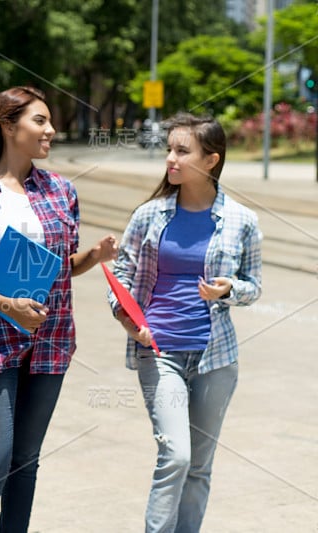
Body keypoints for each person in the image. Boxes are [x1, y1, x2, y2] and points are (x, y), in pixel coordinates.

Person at [0, 86, 118, 532]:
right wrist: (5, 304)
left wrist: (93, 257)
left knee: (26, 459)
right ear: (7, 126)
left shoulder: (61, 191)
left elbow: (62, 268)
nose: (51, 130)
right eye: (40, 121)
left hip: (51, 343)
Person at [107, 112, 262, 532]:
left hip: (216, 357)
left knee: (199, 465)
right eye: (169, 150)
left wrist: (229, 289)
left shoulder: (242, 221)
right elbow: (120, 276)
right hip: (159, 351)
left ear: (211, 160)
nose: (170, 159)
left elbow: (254, 286)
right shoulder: (149, 215)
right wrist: (125, 316)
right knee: (175, 454)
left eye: (181, 151)